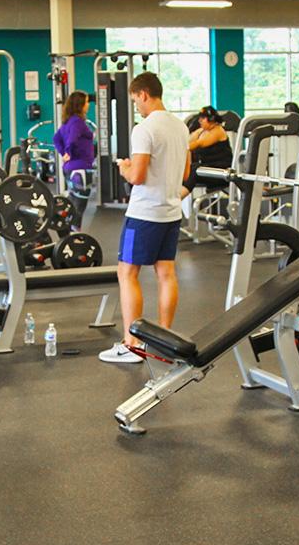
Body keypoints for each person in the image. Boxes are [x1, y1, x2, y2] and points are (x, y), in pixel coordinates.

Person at [101, 72, 189, 365]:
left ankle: (132, 344)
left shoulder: (145, 128)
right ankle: (165, 338)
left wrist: (124, 167)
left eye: (135, 100)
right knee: (166, 273)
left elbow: (137, 176)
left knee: (127, 274)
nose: (136, 105)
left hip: (144, 214)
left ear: (143, 94)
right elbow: (186, 173)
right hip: (171, 212)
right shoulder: (180, 127)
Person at [180, 106, 232, 219]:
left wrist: (180, 146)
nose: (200, 121)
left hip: (220, 172)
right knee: (188, 169)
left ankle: (177, 199)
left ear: (212, 119)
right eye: (200, 118)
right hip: (207, 169)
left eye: (203, 118)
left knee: (194, 169)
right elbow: (188, 141)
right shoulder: (202, 131)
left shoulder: (218, 131)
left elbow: (196, 144)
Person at [54, 90, 96, 198]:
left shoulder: (68, 121)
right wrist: (68, 152)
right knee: (78, 206)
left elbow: (56, 139)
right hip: (80, 168)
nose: (88, 105)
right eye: (86, 102)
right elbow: (72, 139)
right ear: (80, 105)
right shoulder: (77, 121)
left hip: (71, 168)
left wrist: (64, 154)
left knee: (74, 205)